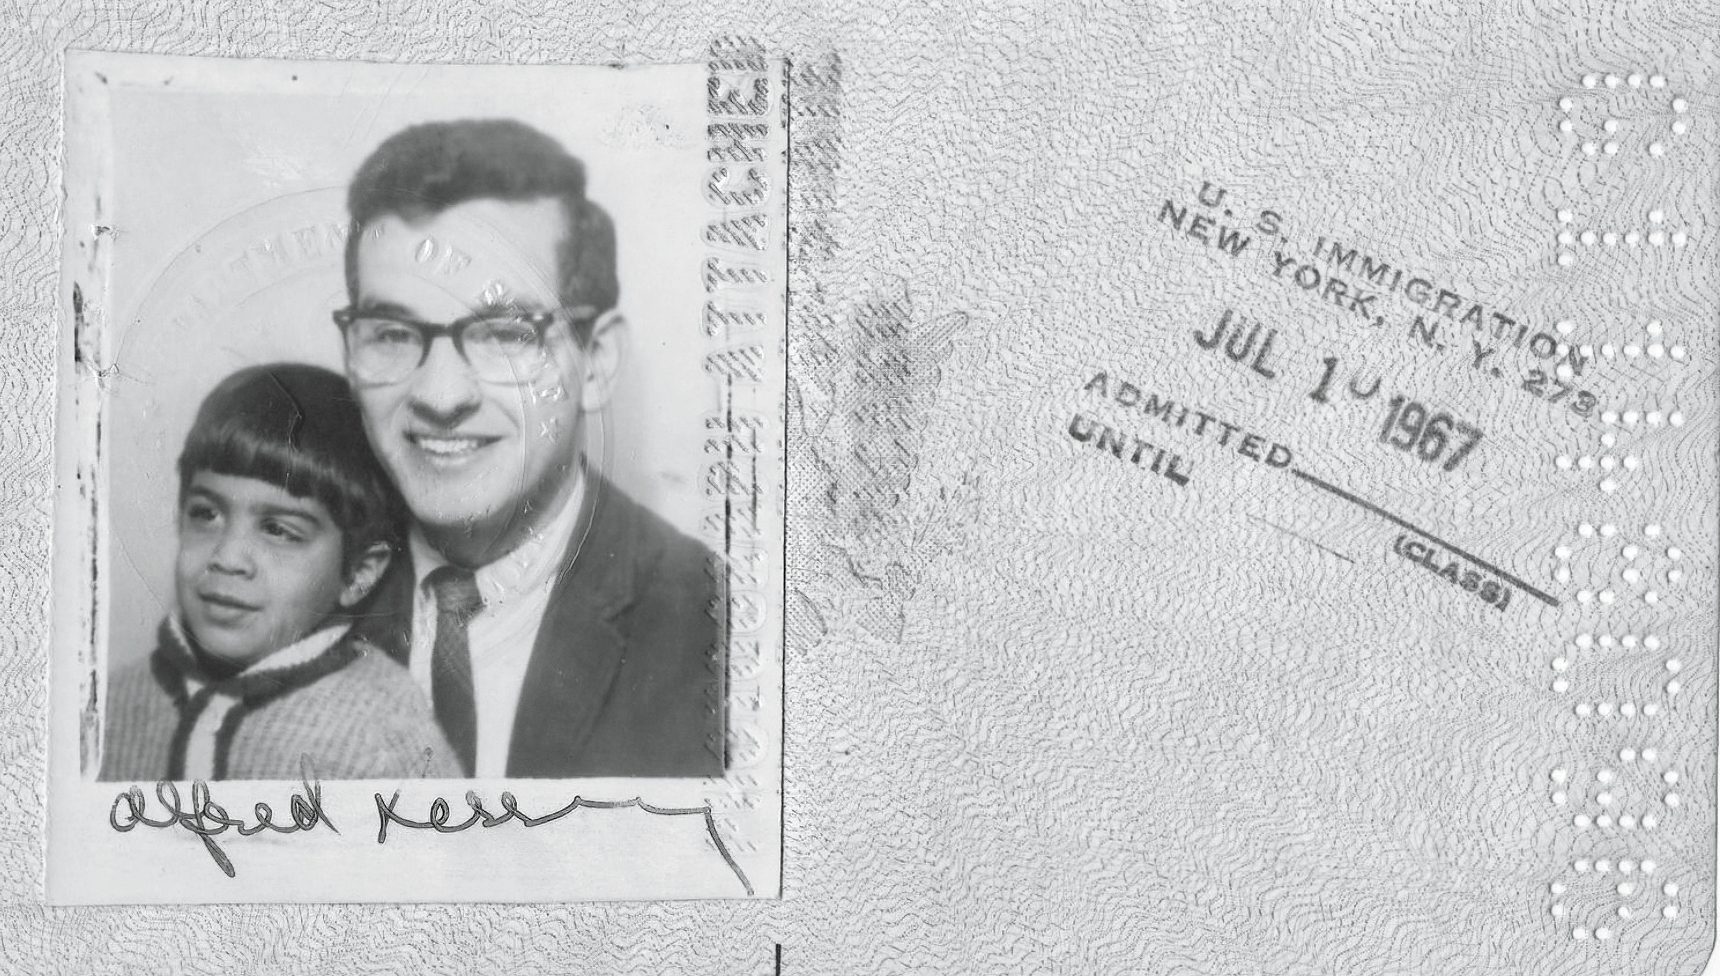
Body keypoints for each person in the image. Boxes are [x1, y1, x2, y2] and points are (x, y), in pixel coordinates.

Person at [338, 119, 724, 779]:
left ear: (595, 362)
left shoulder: (714, 628)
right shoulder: (289, 599)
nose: (440, 396)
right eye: (392, 333)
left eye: (505, 334)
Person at [101, 364, 460, 782]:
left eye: (277, 530)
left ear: (358, 573)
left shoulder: (385, 736)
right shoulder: (110, 703)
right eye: (206, 514)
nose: (227, 557)